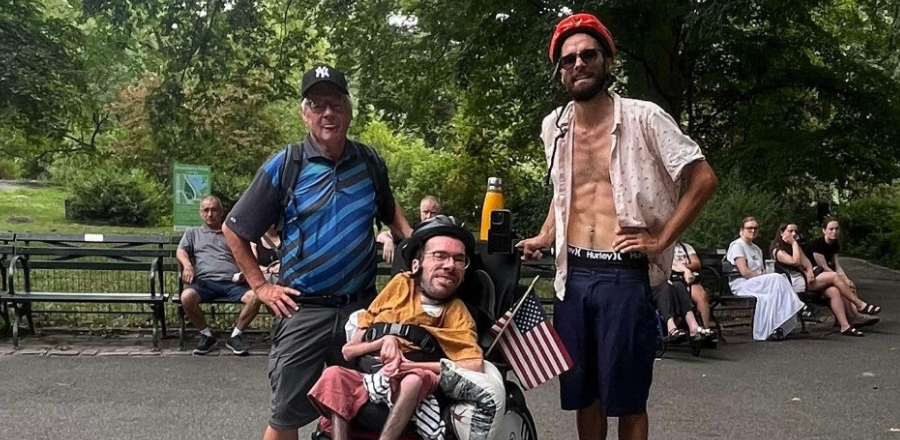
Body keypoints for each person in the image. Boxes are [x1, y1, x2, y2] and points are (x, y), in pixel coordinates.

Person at [516, 13, 718, 440]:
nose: (579, 64)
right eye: (568, 59)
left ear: (608, 61)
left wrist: (663, 238)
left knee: (627, 398)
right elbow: (565, 191)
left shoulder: (645, 118)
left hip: (625, 275)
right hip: (572, 278)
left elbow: (703, 178)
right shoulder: (554, 126)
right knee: (584, 394)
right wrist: (545, 235)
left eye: (589, 54)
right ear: (559, 71)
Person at [222, 65, 413, 440]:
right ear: (304, 113)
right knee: (286, 417)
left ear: (349, 110)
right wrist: (260, 286)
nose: (328, 113)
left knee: (363, 411)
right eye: (318, 104)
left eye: (336, 103)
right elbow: (233, 228)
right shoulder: (286, 165)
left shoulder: (369, 162)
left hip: (361, 312)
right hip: (303, 310)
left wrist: (418, 242)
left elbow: (390, 212)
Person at [307, 216, 483, 440]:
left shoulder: (457, 312)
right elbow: (349, 351)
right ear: (416, 264)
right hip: (371, 374)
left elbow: (475, 364)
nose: (450, 265)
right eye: (440, 256)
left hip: (417, 382)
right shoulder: (400, 285)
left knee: (414, 379)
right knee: (333, 374)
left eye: (459, 260)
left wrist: (410, 366)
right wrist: (384, 340)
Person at [175, 195, 260, 356]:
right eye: (206, 210)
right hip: (204, 283)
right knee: (186, 296)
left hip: (233, 283)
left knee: (256, 296)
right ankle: (206, 335)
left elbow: (245, 257)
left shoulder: (232, 234)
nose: (209, 214)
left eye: (214, 210)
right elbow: (181, 251)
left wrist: (243, 274)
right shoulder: (193, 233)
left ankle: (235, 336)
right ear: (200, 213)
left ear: (221, 213)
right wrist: (187, 265)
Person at [770, 223, 877, 335]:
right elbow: (795, 261)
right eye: (790, 231)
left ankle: (845, 326)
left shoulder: (795, 246)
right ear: (782, 233)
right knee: (834, 276)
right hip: (793, 282)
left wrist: (810, 272)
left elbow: (806, 262)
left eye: (795, 232)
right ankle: (859, 305)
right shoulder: (777, 250)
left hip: (805, 278)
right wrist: (793, 243)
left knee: (835, 291)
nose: (794, 234)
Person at [725, 217, 805, 341]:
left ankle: (777, 328)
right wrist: (764, 276)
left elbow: (761, 270)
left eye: (755, 228)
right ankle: (798, 306)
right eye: (749, 228)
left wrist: (765, 275)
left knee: (777, 285)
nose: (753, 230)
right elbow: (744, 272)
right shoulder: (737, 245)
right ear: (742, 230)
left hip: (756, 281)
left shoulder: (757, 249)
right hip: (741, 283)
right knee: (777, 278)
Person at [804, 219, 881, 315]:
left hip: (826, 275)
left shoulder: (835, 244)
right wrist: (842, 280)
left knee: (850, 285)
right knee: (841, 286)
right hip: (814, 275)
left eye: (836, 229)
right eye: (831, 229)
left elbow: (837, 266)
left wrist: (846, 279)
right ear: (824, 230)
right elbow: (824, 268)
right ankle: (858, 309)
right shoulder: (817, 245)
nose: (834, 232)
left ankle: (857, 314)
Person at [377, 195, 441, 264]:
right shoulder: (410, 229)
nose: (428, 216)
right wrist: (388, 241)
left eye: (433, 213)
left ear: (438, 213)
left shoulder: (442, 233)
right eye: (425, 212)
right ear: (420, 212)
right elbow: (382, 236)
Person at [671, 241, 713, 330]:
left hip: (687, 278)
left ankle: (705, 329)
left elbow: (696, 263)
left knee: (701, 295)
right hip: (670, 279)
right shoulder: (661, 246)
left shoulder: (686, 247)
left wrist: (682, 268)